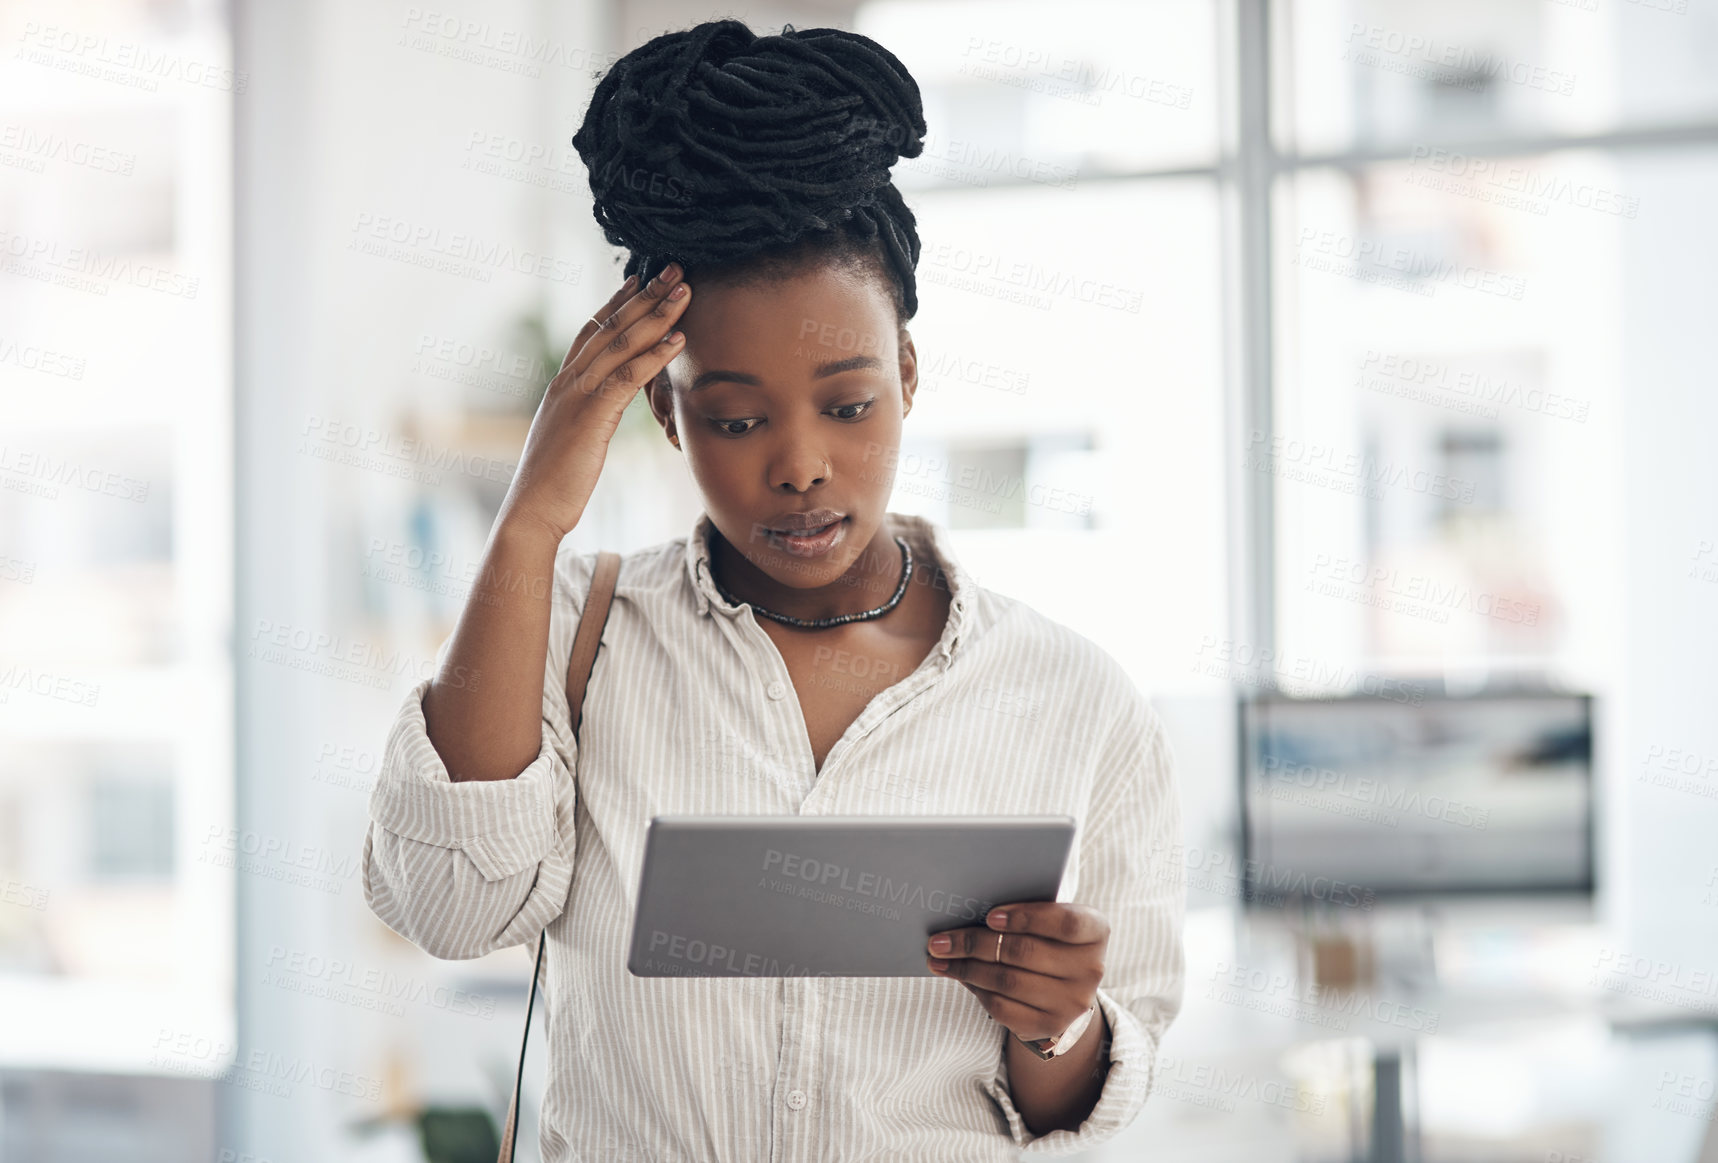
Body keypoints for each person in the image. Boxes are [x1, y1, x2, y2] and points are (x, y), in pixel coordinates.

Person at [360, 17, 1184, 1162]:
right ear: (662, 411)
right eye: (737, 418)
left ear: (904, 373)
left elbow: (1100, 1075)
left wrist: (1060, 1027)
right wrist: (535, 514)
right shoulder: (580, 641)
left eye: (847, 403)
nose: (798, 464)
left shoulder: (1071, 696)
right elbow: (452, 906)